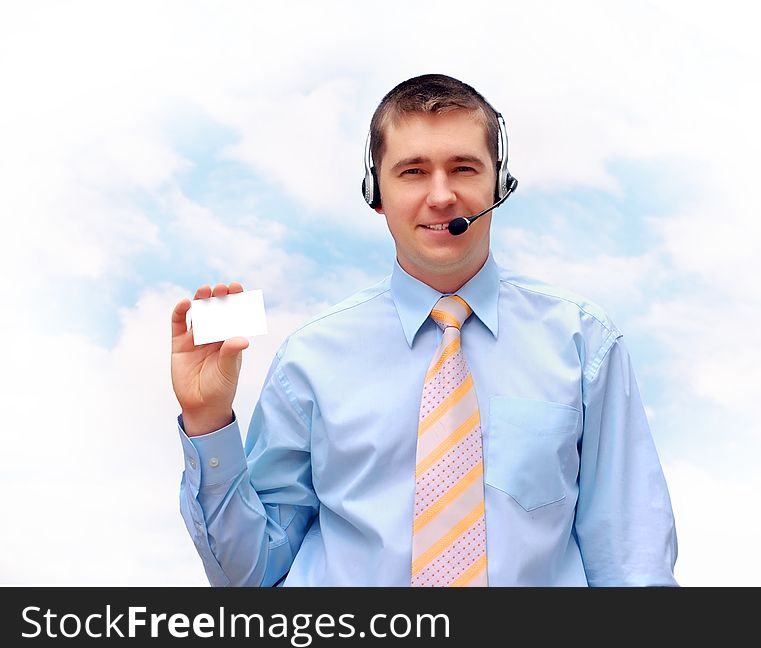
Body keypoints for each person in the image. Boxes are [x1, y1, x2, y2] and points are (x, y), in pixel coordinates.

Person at [171, 74, 678, 587]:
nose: (441, 196)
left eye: (463, 168)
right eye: (413, 172)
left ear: (498, 184)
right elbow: (251, 576)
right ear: (376, 193)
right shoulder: (310, 357)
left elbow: (633, 561)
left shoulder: (585, 341)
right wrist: (207, 419)